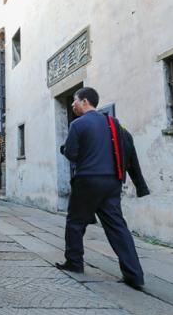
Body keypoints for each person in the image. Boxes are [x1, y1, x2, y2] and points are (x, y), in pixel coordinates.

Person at [56, 87, 149, 290]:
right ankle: (135, 275)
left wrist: (66, 149)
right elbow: (130, 150)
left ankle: (74, 262)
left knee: (75, 222)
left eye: (75, 101)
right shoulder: (114, 124)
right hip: (112, 182)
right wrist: (139, 184)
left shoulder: (77, 125)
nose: (73, 105)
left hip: (87, 180)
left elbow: (71, 154)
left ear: (85, 101)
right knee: (117, 227)